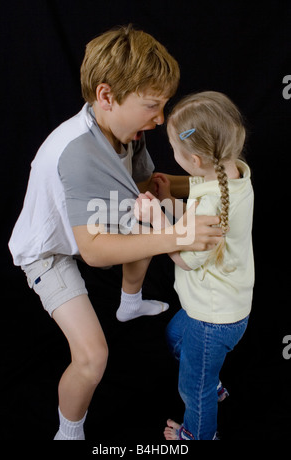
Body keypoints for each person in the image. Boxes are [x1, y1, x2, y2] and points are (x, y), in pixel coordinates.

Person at [8, 26, 222, 441]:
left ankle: (129, 303)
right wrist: (179, 236)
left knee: (149, 211)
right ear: (106, 97)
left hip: (97, 216)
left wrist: (218, 180)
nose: (161, 119)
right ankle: (67, 433)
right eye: (152, 106)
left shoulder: (127, 131)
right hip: (51, 252)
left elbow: (150, 186)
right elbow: (93, 252)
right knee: (93, 358)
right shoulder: (78, 154)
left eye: (164, 106)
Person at [135, 91, 254, 440]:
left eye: (175, 150)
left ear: (197, 159)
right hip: (218, 306)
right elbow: (191, 225)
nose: (172, 157)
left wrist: (156, 217)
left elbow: (184, 258)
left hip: (212, 318)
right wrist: (171, 200)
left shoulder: (211, 204)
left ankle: (198, 434)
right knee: (174, 337)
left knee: (193, 390)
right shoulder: (234, 176)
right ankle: (210, 377)